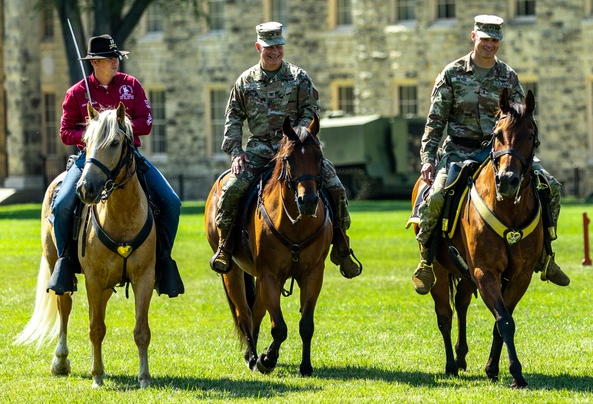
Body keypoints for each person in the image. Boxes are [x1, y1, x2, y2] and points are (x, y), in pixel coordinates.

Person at [411, 14, 570, 294]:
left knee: (550, 187)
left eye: (495, 40)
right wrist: (428, 158)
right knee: (435, 195)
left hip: (501, 152)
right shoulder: (452, 73)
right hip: (459, 150)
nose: (490, 45)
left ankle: (546, 256)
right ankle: (426, 260)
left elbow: (523, 119)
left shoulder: (508, 77)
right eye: (485, 39)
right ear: (474, 37)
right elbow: (435, 121)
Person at [209, 22, 361, 278]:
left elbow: (311, 112)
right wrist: (236, 152)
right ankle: (225, 246)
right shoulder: (245, 82)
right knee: (231, 190)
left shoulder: (299, 78)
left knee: (335, 187)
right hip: (259, 151)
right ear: (259, 47)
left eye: (279, 46)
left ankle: (342, 247)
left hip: (297, 151)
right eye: (269, 47)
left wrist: (297, 138)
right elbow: (233, 118)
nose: (275, 51)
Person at [48, 35, 184, 297]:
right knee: (62, 203)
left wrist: (118, 132)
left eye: (116, 57)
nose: (115, 62)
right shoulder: (77, 93)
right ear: (95, 62)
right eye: (110, 58)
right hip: (90, 159)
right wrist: (93, 137)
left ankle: (164, 261)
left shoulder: (131, 86)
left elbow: (145, 123)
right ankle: (65, 261)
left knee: (172, 202)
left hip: (127, 158)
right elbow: (65, 132)